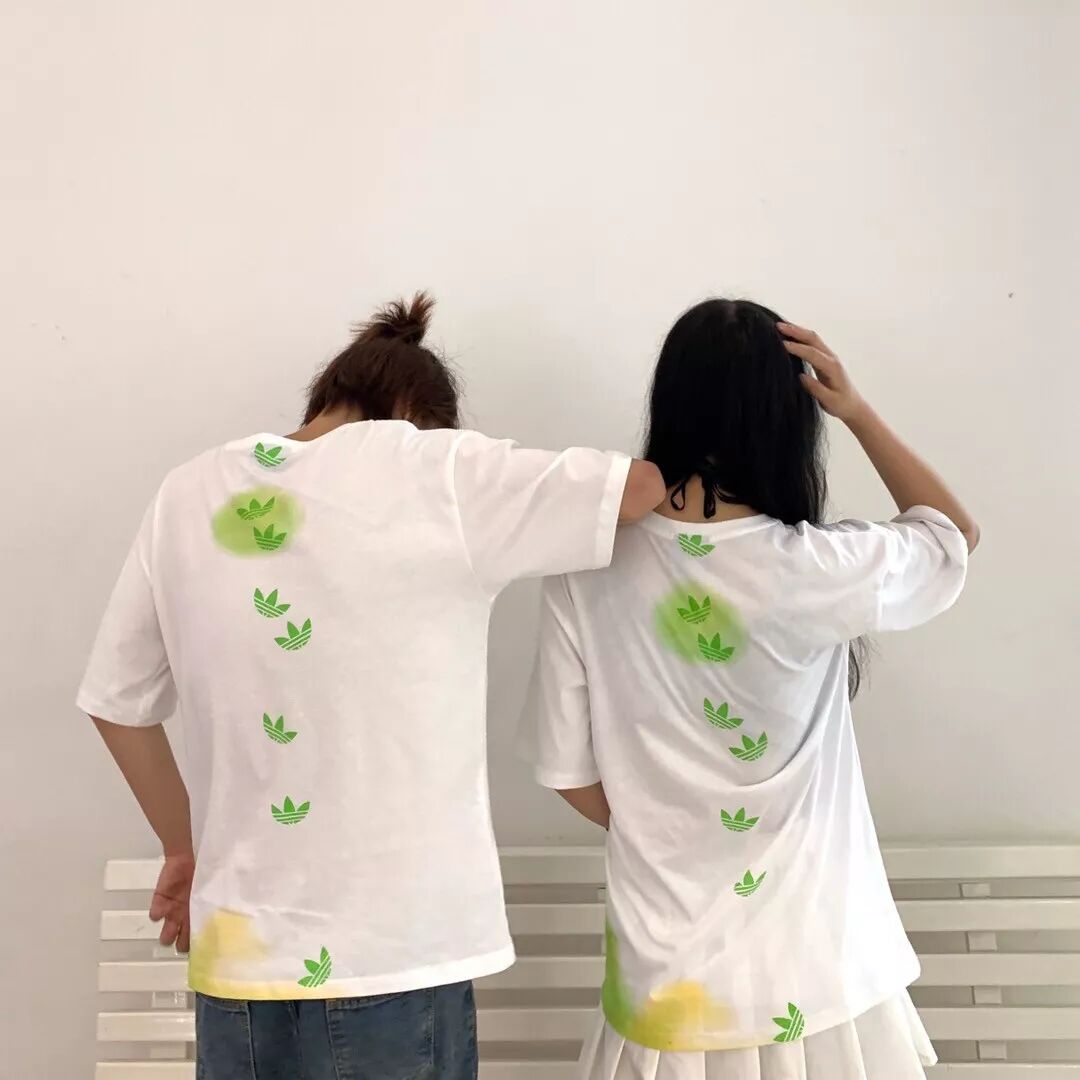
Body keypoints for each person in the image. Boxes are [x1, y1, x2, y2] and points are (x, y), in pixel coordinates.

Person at [79, 292, 666, 1080]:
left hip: (238, 959)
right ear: (417, 415)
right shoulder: (438, 468)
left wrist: (184, 847)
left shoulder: (187, 493)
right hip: (395, 953)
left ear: (326, 396)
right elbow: (640, 490)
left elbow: (117, 706)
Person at [522, 300, 979, 1080]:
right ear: (788, 419)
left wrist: (668, 824)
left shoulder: (586, 568)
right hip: (820, 967)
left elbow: (568, 773)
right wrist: (857, 412)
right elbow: (952, 537)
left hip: (666, 984)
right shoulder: (817, 567)